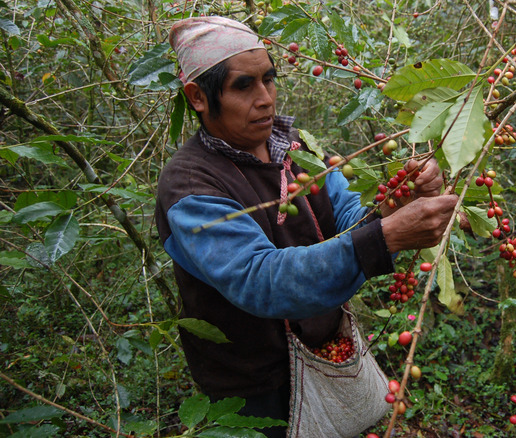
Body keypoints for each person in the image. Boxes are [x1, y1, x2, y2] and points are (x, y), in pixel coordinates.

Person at [156, 16, 458, 437]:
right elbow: (261, 280)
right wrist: (386, 236)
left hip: (325, 350)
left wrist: (397, 203)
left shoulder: (296, 150)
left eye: (269, 79)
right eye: (244, 86)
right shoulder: (190, 188)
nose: (266, 99)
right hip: (251, 385)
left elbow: (350, 221)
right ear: (198, 98)